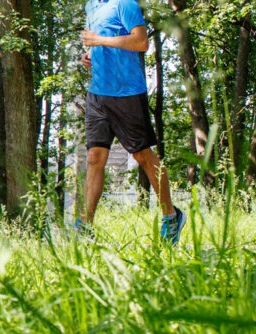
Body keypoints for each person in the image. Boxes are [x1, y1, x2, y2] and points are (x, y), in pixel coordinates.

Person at [76, 0, 185, 245]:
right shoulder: (91, 5)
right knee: (94, 157)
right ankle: (84, 228)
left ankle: (171, 216)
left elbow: (140, 42)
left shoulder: (125, 4)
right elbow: (101, 39)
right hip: (97, 93)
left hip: (126, 94)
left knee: (143, 156)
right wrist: (90, 55)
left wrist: (99, 41)